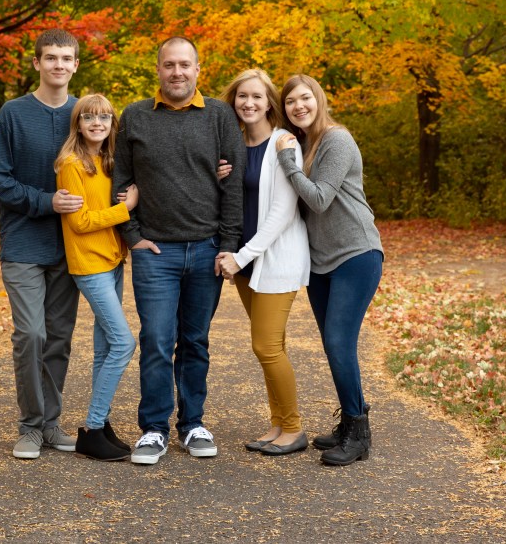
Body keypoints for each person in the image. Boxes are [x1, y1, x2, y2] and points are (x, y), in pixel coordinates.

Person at [112, 36, 245, 465]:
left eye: (185, 65)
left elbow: (233, 187)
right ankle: (153, 429)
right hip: (156, 253)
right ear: (158, 69)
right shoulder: (134, 116)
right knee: (155, 340)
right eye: (169, 65)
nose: (177, 73)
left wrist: (227, 246)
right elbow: (121, 182)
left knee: (195, 341)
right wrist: (132, 236)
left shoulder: (219, 116)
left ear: (198, 69)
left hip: (206, 248)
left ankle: (192, 424)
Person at [275, 74, 384, 466]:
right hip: (320, 261)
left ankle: (359, 433)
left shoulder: (337, 139)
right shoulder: (300, 143)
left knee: (339, 342)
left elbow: (319, 199)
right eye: (290, 102)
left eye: (305, 98)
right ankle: (351, 418)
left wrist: (288, 163)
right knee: (333, 344)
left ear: (319, 100)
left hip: (356, 253)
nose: (298, 106)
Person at [0, 28, 84, 460]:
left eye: (66, 58)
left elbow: (115, 165)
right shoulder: (12, 113)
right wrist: (47, 202)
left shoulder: (85, 113)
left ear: (75, 65)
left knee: (59, 338)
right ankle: (29, 426)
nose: (58, 65)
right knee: (31, 333)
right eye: (50, 58)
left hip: (71, 245)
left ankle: (51, 424)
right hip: (24, 242)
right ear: (37, 64)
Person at [214, 69, 311, 456]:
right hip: (244, 263)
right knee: (272, 347)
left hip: (273, 259)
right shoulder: (234, 144)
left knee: (267, 347)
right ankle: (278, 424)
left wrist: (242, 256)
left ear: (270, 101)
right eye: (241, 96)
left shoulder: (283, 143)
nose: (248, 103)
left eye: (257, 96)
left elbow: (283, 212)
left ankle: (294, 428)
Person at [54, 94, 138, 461]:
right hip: (89, 265)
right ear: (78, 123)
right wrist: (125, 210)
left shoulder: (107, 161)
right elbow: (81, 221)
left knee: (106, 348)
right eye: (89, 117)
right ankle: (90, 427)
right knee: (123, 344)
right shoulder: (70, 164)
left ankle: (100, 426)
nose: (97, 123)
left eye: (104, 117)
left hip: (112, 261)